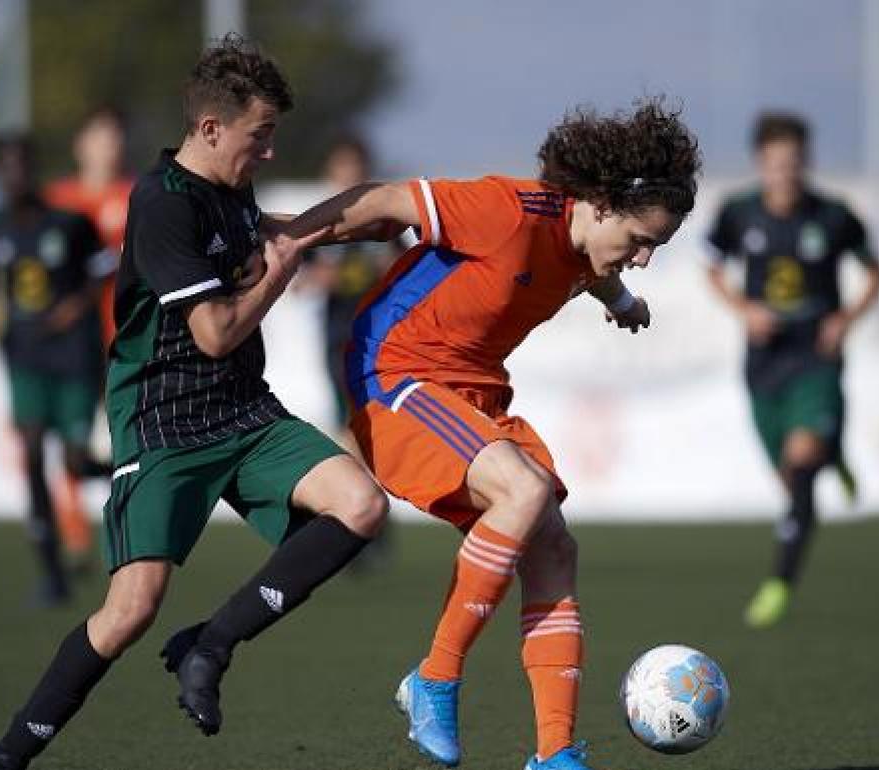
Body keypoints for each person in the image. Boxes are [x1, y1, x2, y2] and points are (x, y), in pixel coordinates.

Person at [0, 34, 387, 770]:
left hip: (242, 410)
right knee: (130, 610)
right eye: (260, 137)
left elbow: (287, 233)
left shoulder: (231, 188)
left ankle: (211, 643)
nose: (268, 155)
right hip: (164, 420)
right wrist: (283, 271)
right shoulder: (161, 204)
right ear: (212, 129)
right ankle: (7, 754)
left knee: (361, 503)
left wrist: (396, 216)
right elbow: (218, 330)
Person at [286, 98, 701, 770]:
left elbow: (589, 269)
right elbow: (386, 201)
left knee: (554, 550)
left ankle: (555, 754)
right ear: (597, 204)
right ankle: (436, 677)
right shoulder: (510, 210)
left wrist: (622, 300)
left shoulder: (589, 249)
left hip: (472, 390)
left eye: (656, 246)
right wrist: (288, 235)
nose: (644, 258)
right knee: (523, 490)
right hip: (395, 372)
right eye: (640, 242)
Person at [705, 111, 879, 628]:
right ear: (760, 163)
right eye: (775, 162)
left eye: (794, 161)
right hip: (764, 364)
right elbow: (711, 267)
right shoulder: (738, 214)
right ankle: (836, 456)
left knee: (801, 466)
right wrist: (744, 309)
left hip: (816, 357)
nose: (784, 172)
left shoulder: (833, 216)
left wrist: (846, 318)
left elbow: (876, 271)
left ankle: (778, 584)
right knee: (791, 476)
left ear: (806, 161)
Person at [0, 134, 115, 607]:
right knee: (29, 454)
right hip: (24, 355)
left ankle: (116, 473)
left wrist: (73, 307)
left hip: (74, 357)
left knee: (72, 461)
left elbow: (101, 272)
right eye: (5, 168)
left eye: (21, 165)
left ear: (33, 168)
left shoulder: (69, 224)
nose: (14, 176)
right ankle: (50, 571)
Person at [298, 134, 402, 572]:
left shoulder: (383, 224)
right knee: (350, 427)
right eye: (341, 168)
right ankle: (360, 518)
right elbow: (300, 279)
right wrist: (328, 278)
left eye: (354, 168)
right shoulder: (319, 225)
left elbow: (402, 272)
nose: (348, 176)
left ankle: (359, 517)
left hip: (376, 339)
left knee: (364, 430)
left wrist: (375, 275)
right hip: (337, 337)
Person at [43, 105, 134, 570]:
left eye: (115, 136)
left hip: (127, 339)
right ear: (81, 144)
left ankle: (121, 531)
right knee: (71, 442)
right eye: (99, 136)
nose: (109, 145)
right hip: (72, 344)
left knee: (127, 441)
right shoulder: (57, 201)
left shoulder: (138, 195)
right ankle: (72, 532)